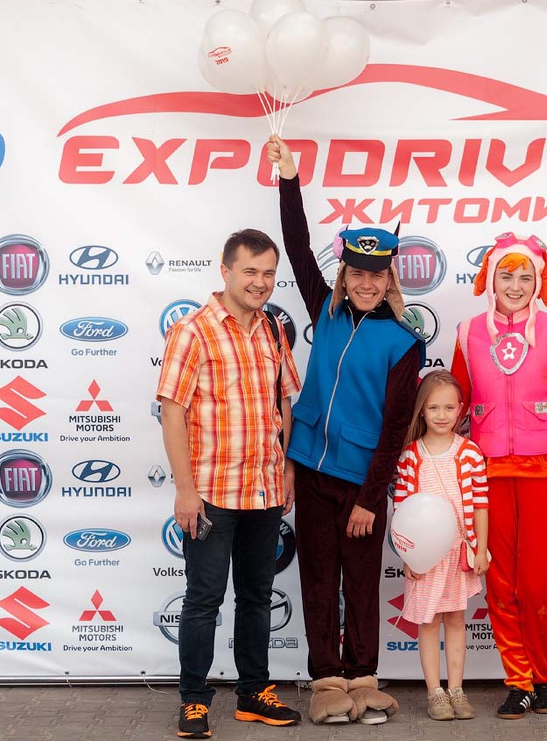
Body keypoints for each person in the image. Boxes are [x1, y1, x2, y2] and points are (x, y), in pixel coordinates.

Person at [267, 135, 423, 725]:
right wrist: (289, 178)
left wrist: (369, 499)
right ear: (345, 274)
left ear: (389, 279)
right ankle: (327, 682)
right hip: (310, 471)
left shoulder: (404, 342)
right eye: (357, 272)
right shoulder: (325, 310)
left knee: (360, 582)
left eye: (376, 275)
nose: (366, 283)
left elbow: (396, 429)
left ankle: (363, 678)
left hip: (361, 483)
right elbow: (297, 245)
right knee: (316, 580)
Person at [155, 229, 303, 739]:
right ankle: (194, 700)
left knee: (257, 597)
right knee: (203, 599)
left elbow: (284, 402)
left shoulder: (272, 330)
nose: (260, 282)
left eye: (268, 273)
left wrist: (286, 469)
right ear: (225, 271)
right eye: (250, 271)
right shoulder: (192, 331)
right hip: (211, 493)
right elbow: (171, 413)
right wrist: (184, 490)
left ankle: (253, 694)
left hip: (264, 489)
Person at [449, 232, 547, 720]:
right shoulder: (468, 332)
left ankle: (544, 677)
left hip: (545, 472)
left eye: (525, 277)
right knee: (500, 582)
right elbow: (455, 406)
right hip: (488, 475)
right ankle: (518, 682)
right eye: (505, 275)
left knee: (539, 584)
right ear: (490, 280)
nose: (514, 286)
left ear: (538, 282)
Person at [392, 370, 490, 722]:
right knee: (429, 621)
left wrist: (481, 548)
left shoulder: (470, 453)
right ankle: (435, 692)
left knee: (456, 618)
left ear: (461, 409)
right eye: (433, 408)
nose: (441, 415)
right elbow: (401, 510)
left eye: (449, 407)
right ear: (421, 410)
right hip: (426, 557)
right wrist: (408, 556)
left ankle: (457, 690)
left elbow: (481, 504)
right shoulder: (410, 457)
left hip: (459, 553)